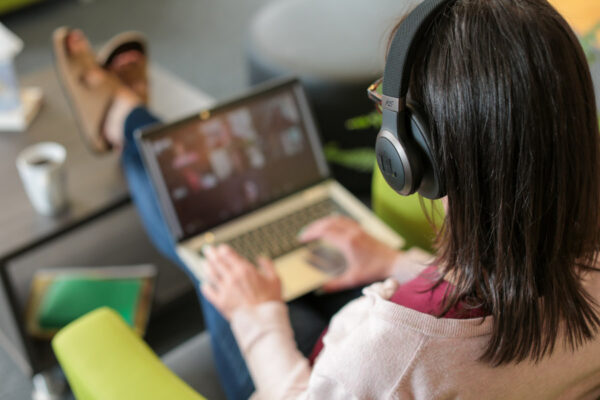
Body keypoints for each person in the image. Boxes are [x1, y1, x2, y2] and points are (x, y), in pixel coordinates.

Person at [53, 0, 600, 397]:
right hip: (371, 346)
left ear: (411, 156)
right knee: (278, 255)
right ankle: (127, 120)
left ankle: (123, 118)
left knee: (215, 258)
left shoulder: (394, 355)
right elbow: (512, 286)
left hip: (300, 378)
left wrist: (257, 317)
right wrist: (388, 261)